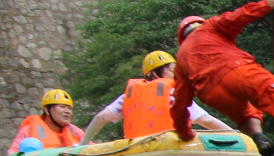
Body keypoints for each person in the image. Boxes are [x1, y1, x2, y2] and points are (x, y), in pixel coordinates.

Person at [170, 0, 274, 156]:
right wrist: (268, 4)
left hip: (211, 94)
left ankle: (257, 136)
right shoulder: (210, 26)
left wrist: (185, 133)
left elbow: (179, 104)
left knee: (245, 115)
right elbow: (237, 17)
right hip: (236, 70)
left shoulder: (181, 58)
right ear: (199, 24)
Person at [83, 51, 233, 142]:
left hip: (137, 151)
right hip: (168, 149)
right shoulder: (173, 94)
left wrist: (83, 144)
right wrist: (237, 136)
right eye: (172, 70)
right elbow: (207, 121)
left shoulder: (127, 96)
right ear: (155, 73)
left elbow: (100, 118)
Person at [10, 89, 85, 152]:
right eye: (62, 107)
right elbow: (12, 153)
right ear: (47, 110)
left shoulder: (75, 131)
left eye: (69, 108)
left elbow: (92, 149)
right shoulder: (29, 130)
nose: (67, 111)